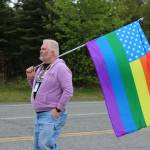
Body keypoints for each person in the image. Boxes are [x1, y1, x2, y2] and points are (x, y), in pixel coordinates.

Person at [26, 39, 73, 150]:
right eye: (41, 48)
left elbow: (68, 90)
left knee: (44, 146)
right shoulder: (41, 68)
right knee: (38, 146)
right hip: (39, 114)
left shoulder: (60, 68)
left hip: (51, 113)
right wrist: (30, 78)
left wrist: (58, 109)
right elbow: (37, 88)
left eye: (44, 49)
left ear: (53, 52)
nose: (41, 50)